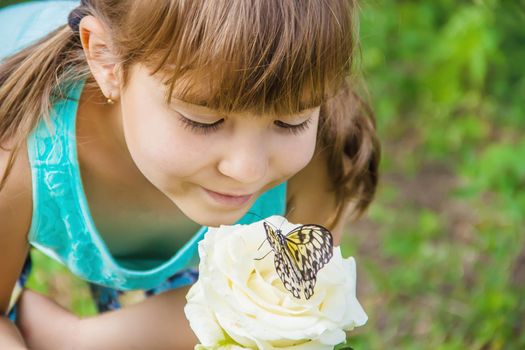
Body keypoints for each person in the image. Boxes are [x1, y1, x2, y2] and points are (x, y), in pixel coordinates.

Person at [0, 0, 380, 348]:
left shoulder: (322, 158)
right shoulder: (14, 152)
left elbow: (293, 301)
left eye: (290, 121)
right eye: (204, 120)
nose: (247, 170)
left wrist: (82, 340)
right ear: (105, 60)